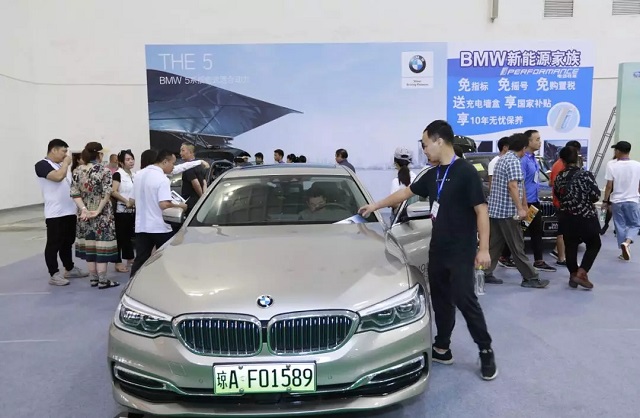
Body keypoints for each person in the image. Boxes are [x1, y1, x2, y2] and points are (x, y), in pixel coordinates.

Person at [359, 120, 497, 381]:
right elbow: (405, 194)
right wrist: (375, 206)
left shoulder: (465, 172)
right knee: (441, 300)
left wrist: (484, 249)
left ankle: (485, 349)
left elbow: (481, 210)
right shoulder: (432, 175)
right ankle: (442, 347)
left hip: (461, 250)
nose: (423, 150)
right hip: (438, 249)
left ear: (439, 141)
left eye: (425, 144)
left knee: (465, 299)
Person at [484, 133, 549, 288]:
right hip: (508, 212)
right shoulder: (513, 161)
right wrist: (520, 208)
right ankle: (530, 277)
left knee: (494, 245)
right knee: (517, 246)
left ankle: (484, 273)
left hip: (496, 211)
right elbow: (513, 186)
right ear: (524, 147)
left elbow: (519, 186)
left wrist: (524, 204)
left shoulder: (502, 159)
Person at [34, 139, 88, 286]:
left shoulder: (61, 166)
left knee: (67, 242)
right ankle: (54, 273)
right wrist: (66, 163)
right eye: (63, 151)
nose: (65, 155)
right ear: (54, 150)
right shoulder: (42, 165)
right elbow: (58, 177)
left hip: (69, 211)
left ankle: (69, 268)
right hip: (55, 213)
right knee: (54, 244)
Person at [130, 150, 187, 278]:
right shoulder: (162, 179)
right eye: (172, 163)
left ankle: (132, 284)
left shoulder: (138, 175)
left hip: (141, 226)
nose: (173, 167)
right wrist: (180, 206)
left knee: (140, 259)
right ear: (165, 162)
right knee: (166, 258)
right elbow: (164, 204)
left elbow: (131, 201)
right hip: (159, 226)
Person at [70, 142, 120, 289]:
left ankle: (93, 278)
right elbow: (107, 193)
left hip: (84, 215)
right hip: (102, 213)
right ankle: (103, 280)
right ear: (99, 154)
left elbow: (74, 193)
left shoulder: (77, 171)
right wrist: (98, 210)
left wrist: (84, 209)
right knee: (102, 245)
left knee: (89, 245)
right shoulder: (104, 171)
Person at [553, 146, 601, 289]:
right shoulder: (585, 175)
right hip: (586, 216)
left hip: (567, 216)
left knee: (570, 246)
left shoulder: (559, 177)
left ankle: (573, 274)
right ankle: (581, 273)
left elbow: (558, 195)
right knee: (594, 244)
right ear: (577, 158)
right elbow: (596, 195)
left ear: (562, 160)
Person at [522, 130, 556, 272]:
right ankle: (504, 256)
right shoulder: (523, 160)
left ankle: (539, 260)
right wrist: (523, 204)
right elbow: (520, 183)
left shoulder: (533, 159)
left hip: (534, 200)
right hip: (526, 202)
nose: (540, 142)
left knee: (536, 231)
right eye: (537, 139)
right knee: (520, 231)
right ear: (528, 141)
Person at [602, 141, 640, 260]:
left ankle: (623, 250)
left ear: (618, 151)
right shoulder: (637, 165)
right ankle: (627, 243)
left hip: (617, 201)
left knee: (619, 226)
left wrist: (605, 201)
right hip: (633, 200)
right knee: (635, 225)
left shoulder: (611, 165)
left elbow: (609, 186)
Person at [549, 140, 583, 266]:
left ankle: (558, 251)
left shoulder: (558, 164)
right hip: (562, 203)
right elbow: (555, 184)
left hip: (562, 202)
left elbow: (551, 182)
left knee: (564, 231)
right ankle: (561, 258)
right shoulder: (561, 166)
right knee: (562, 232)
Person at [488, 136, 515, 269]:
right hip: (500, 208)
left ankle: (487, 271)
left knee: (498, 241)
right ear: (505, 147)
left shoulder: (506, 161)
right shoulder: (496, 162)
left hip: (505, 208)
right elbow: (493, 185)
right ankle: (530, 275)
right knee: (513, 242)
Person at [111, 150, 136, 273]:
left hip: (133, 210)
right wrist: (126, 201)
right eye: (127, 159)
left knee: (129, 236)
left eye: (132, 159)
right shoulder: (118, 174)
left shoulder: (134, 175)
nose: (131, 161)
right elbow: (113, 191)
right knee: (120, 237)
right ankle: (118, 262)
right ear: (121, 162)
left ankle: (130, 258)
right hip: (121, 210)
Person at [390, 147, 417, 218]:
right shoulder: (416, 178)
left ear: (395, 162)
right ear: (410, 162)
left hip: (399, 218)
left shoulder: (396, 181)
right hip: (414, 217)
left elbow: (394, 204)